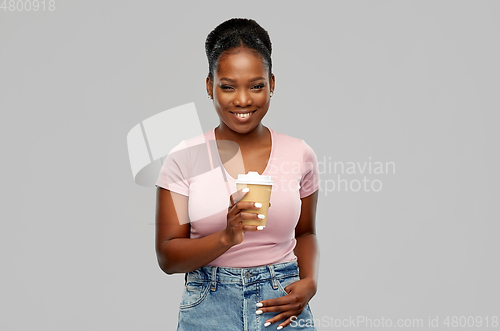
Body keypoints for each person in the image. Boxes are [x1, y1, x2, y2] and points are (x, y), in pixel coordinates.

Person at [155, 18, 320, 331]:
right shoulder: (184, 158)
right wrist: (227, 236)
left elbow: (306, 233)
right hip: (209, 307)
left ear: (272, 83)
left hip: (282, 305)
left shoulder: (300, 154)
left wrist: (309, 282)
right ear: (209, 86)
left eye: (256, 86)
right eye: (228, 86)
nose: (243, 100)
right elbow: (167, 255)